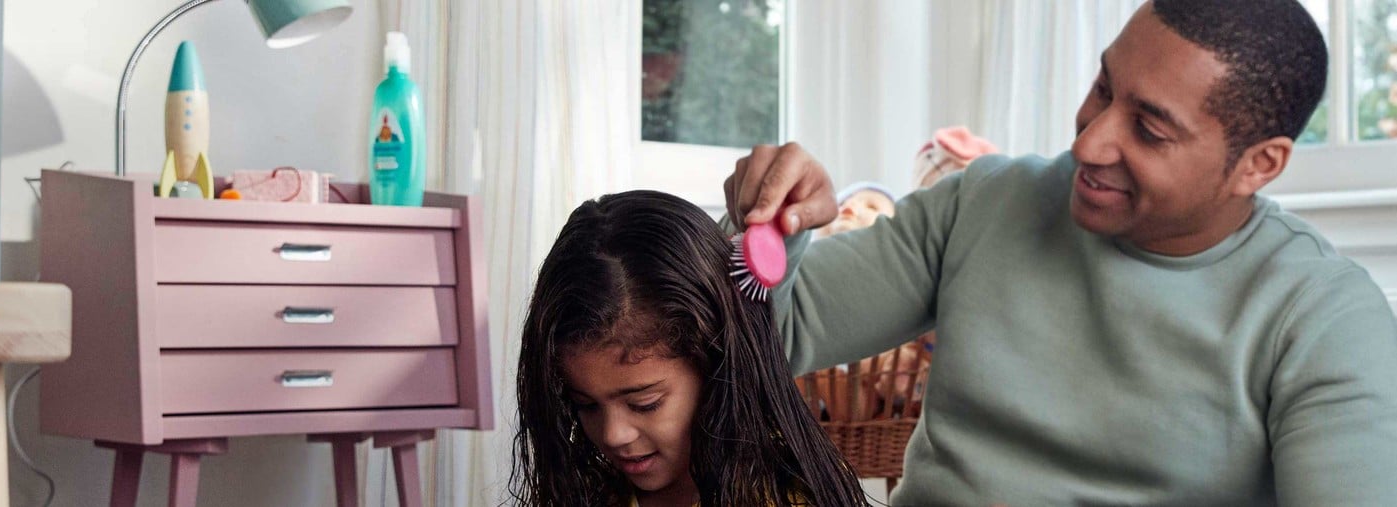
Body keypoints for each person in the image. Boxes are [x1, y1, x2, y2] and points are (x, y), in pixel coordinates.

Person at [721, 0, 1397, 504]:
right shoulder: (983, 202)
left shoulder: (1323, 321)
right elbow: (772, 331)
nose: (1089, 142)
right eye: (1103, 88)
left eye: (1149, 128)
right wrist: (772, 230)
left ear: (1258, 165)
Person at [510, 191, 867, 507]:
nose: (613, 434)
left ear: (716, 368)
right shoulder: (596, 493)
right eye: (585, 405)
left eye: (644, 404)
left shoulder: (789, 496)